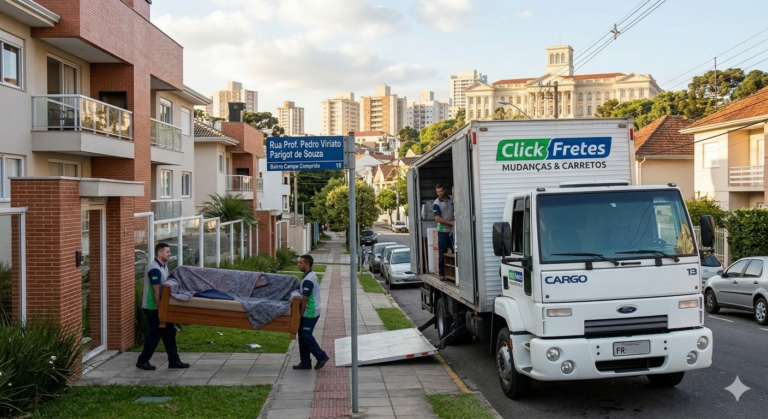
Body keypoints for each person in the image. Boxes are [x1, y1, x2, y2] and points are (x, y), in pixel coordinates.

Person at [136, 242, 190, 370]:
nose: (170, 254)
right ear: (160, 253)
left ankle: (174, 360)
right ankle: (142, 361)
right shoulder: (154, 269)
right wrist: (161, 309)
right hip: (153, 307)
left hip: (160, 306)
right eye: (167, 252)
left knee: (169, 332)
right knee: (155, 334)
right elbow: (156, 290)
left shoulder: (163, 266)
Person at [293, 254, 330, 370]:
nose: (299, 265)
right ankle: (305, 362)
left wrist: (299, 315)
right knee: (302, 336)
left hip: (310, 312)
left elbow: (304, 299)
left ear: (307, 265)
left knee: (306, 336)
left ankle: (321, 356)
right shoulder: (309, 275)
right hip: (311, 311)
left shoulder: (308, 280)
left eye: (301, 263)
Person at [433, 183, 455, 281]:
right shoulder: (436, 204)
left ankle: (455, 273)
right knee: (443, 252)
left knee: (455, 251)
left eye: (441, 191)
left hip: (453, 230)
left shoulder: (452, 199)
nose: (440, 193)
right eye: (438, 192)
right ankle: (442, 273)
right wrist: (450, 223)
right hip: (443, 231)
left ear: (444, 190)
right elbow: (437, 218)